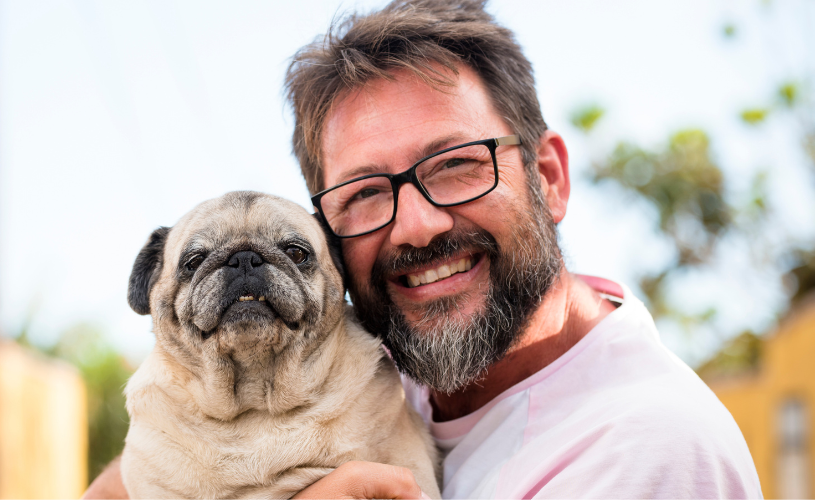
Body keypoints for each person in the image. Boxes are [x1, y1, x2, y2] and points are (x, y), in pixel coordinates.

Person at [85, 1, 762, 498]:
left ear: (548, 179)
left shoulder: (649, 452)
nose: (415, 226)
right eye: (366, 193)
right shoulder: (392, 355)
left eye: (456, 165)